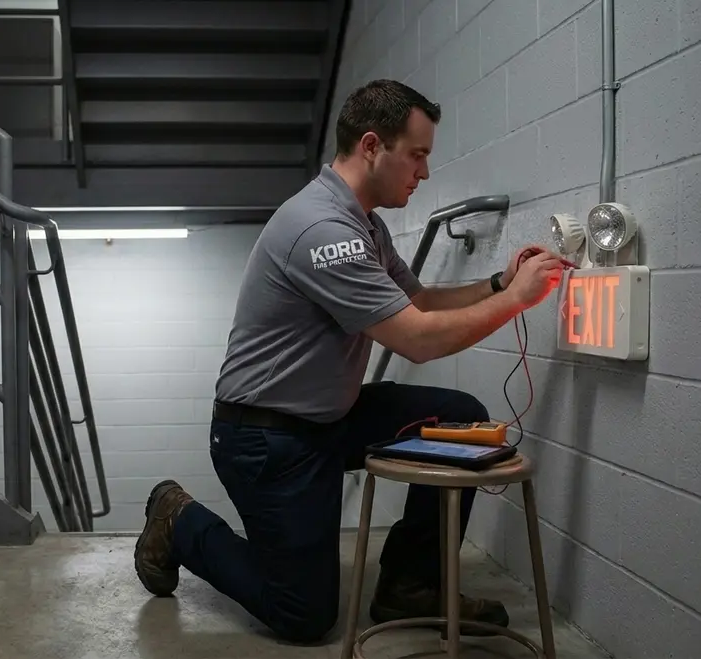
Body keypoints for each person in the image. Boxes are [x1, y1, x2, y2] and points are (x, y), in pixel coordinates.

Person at [132, 79, 566, 643]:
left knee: (460, 418)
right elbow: (417, 340)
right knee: (304, 616)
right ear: (371, 146)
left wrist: (498, 284)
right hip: (268, 439)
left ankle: (410, 585)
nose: (424, 172)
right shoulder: (323, 230)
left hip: (330, 418)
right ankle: (178, 520)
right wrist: (517, 301)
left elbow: (417, 302)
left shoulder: (366, 223)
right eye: (417, 154)